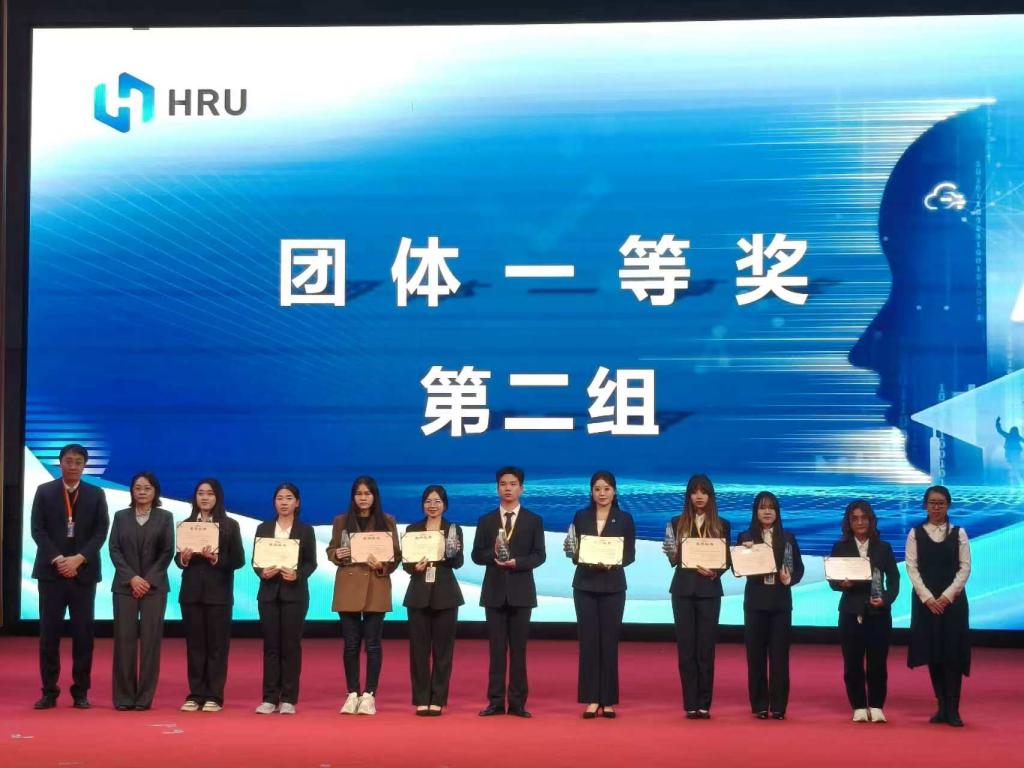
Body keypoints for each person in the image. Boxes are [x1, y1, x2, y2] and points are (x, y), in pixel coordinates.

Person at [31, 443, 110, 709]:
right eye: (68, 461)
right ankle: (49, 691)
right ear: (60, 462)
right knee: (49, 635)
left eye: (78, 462)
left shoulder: (96, 494)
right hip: (51, 574)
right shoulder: (44, 491)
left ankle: (80, 692)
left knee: (83, 635)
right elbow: (37, 530)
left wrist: (79, 558)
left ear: (84, 465)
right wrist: (58, 559)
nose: (73, 466)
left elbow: (101, 532)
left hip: (83, 574)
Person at [471, 466, 546, 718]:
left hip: (521, 593)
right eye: (503, 484)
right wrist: (492, 554)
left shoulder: (533, 520)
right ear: (497, 488)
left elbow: (539, 555)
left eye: (513, 484)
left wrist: (517, 563)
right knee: (496, 650)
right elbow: (476, 555)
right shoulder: (486, 520)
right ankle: (495, 701)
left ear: (521, 488)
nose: (508, 488)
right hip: (494, 593)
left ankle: (517, 702)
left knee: (518, 650)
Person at [327, 476, 401, 716]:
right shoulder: (341, 521)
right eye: (358, 494)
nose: (363, 498)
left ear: (374, 496)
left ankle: (369, 694)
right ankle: (352, 693)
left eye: (367, 493)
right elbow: (331, 549)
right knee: (350, 644)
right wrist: (337, 554)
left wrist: (382, 565)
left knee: (373, 644)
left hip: (376, 585)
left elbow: (396, 556)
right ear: (353, 497)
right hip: (348, 586)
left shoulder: (387, 521)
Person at [566, 470, 635, 719]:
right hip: (585, 586)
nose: (602, 493)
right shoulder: (581, 516)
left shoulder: (624, 518)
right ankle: (591, 698)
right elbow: (574, 551)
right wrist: (572, 552)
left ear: (614, 491)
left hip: (613, 586)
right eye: (597, 489)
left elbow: (630, 554)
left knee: (609, 642)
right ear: (591, 492)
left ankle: (608, 700)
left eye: (606, 489)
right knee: (588, 642)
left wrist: (613, 562)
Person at [662, 473, 730, 719]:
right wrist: (671, 553)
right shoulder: (676, 522)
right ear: (688, 496)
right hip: (682, 590)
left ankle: (704, 704)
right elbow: (673, 559)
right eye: (695, 492)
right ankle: (690, 703)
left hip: (709, 591)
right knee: (686, 649)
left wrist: (716, 571)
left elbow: (726, 560)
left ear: (710, 496)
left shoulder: (722, 524)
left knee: (706, 649)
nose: (699, 496)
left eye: (704, 492)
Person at [175, 478, 245, 712]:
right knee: (195, 646)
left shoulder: (230, 525)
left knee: (217, 647)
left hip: (219, 595)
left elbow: (238, 560)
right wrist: (183, 558)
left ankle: (214, 695)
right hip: (191, 593)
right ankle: (195, 694)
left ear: (218, 497)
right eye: (200, 493)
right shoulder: (186, 525)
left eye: (210, 493)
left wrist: (216, 559)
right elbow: (177, 559)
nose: (204, 498)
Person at [827, 500, 899, 723]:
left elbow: (894, 580)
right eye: (855, 518)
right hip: (850, 612)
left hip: (878, 613)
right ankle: (858, 705)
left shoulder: (883, 547)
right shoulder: (840, 547)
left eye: (864, 518)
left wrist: (885, 599)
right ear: (849, 522)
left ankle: (876, 705)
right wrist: (841, 584)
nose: (860, 522)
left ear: (871, 520)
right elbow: (833, 581)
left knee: (878, 662)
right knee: (852, 662)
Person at [108, 471, 174, 711]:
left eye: (147, 488)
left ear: (155, 491)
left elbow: (167, 552)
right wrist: (132, 578)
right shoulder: (121, 516)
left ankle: (144, 698)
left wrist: (147, 580)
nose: (142, 492)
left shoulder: (165, 517)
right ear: (132, 491)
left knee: (150, 643)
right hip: (125, 586)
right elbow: (114, 549)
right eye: (138, 488)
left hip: (154, 588)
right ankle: (124, 697)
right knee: (124, 642)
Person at [906, 485, 971, 727]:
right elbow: (911, 568)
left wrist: (946, 596)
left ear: (948, 506)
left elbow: (965, 568)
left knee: (952, 654)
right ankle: (941, 706)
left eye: (941, 503)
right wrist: (928, 598)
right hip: (926, 604)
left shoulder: (959, 533)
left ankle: (953, 709)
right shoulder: (915, 533)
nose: (936, 507)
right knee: (933, 653)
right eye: (932, 503)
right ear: (925, 505)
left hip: (953, 604)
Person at [737, 491, 804, 720]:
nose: (767, 512)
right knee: (755, 657)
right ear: (755, 511)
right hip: (755, 603)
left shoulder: (788, 538)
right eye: (762, 507)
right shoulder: (745, 536)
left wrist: (790, 579)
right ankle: (759, 705)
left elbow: (799, 568)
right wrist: (744, 554)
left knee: (779, 657)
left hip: (780, 604)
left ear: (777, 512)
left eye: (771, 507)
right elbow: (738, 569)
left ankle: (778, 706)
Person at [253, 483, 318, 715]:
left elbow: (311, 563)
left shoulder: (305, 530)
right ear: (274, 502)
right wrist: (262, 572)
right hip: (268, 595)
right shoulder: (263, 528)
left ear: (297, 502)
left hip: (295, 595)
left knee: (291, 646)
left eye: (289, 498)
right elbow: (256, 561)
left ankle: (289, 698)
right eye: (280, 498)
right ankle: (270, 697)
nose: (283, 502)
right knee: (271, 645)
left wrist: (298, 574)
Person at [403, 485, 464, 716]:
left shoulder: (453, 529)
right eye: (428, 501)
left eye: (437, 501)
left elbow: (458, 563)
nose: (432, 505)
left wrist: (453, 552)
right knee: (418, 650)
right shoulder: (412, 529)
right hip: (419, 593)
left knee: (443, 650)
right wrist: (415, 567)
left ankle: (438, 698)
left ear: (445, 505)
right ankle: (421, 698)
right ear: (422, 505)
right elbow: (406, 564)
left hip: (446, 594)